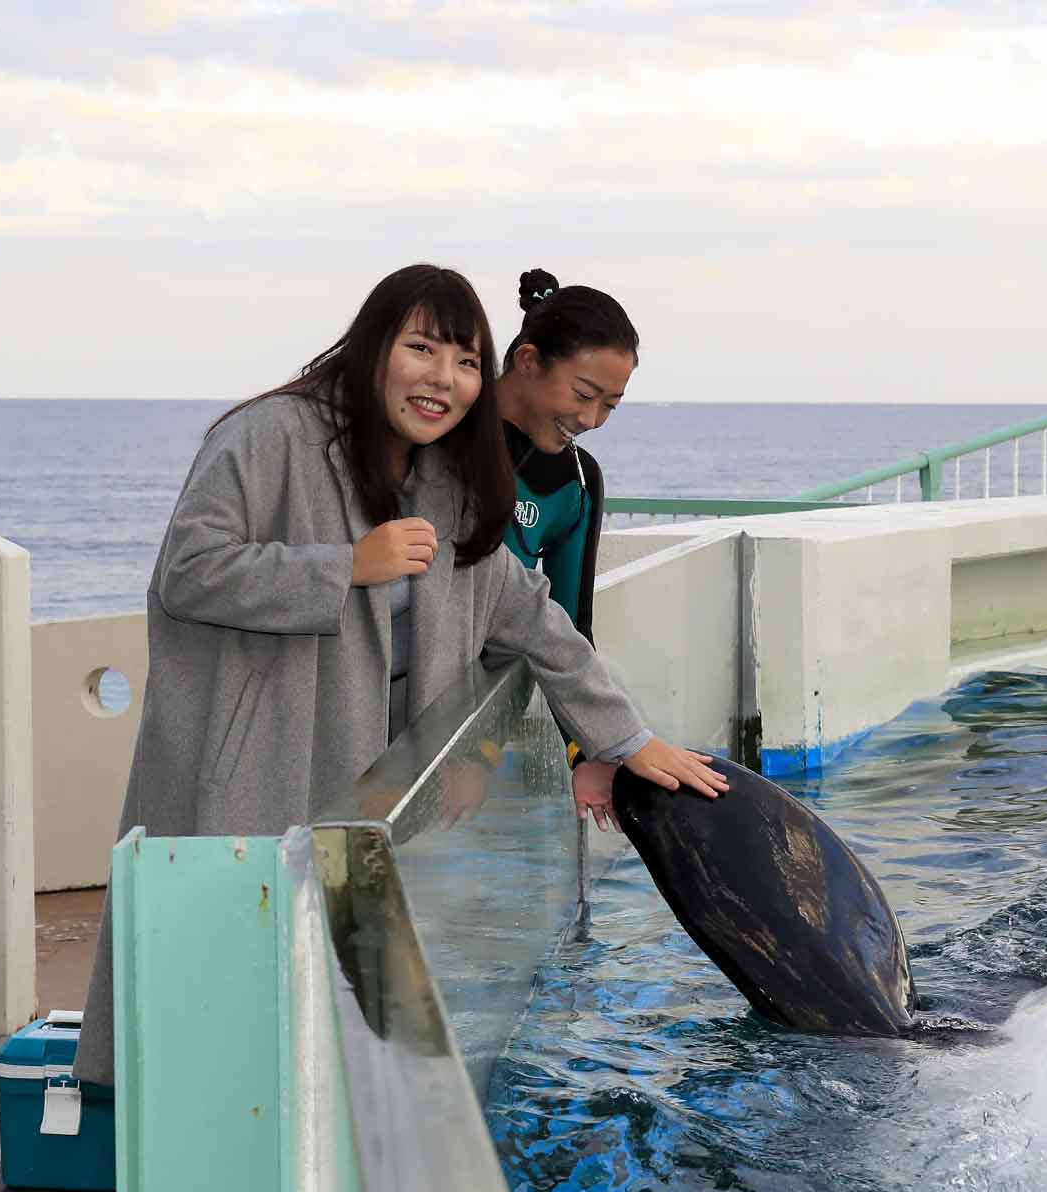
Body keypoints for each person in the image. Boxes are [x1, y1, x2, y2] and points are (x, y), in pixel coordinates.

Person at [72, 264, 725, 1086]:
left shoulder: (448, 476)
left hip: (370, 796)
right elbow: (188, 571)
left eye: (461, 361)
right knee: (214, 1024)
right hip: (244, 786)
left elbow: (529, 614)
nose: (442, 379)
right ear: (374, 343)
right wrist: (342, 566)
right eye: (421, 348)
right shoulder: (270, 436)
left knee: (322, 1035)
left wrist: (625, 738)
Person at [494, 268, 637, 832]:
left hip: (476, 705)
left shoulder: (578, 479)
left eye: (610, 406)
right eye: (582, 395)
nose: (590, 420)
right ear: (528, 362)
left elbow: (571, 625)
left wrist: (588, 752)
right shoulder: (447, 439)